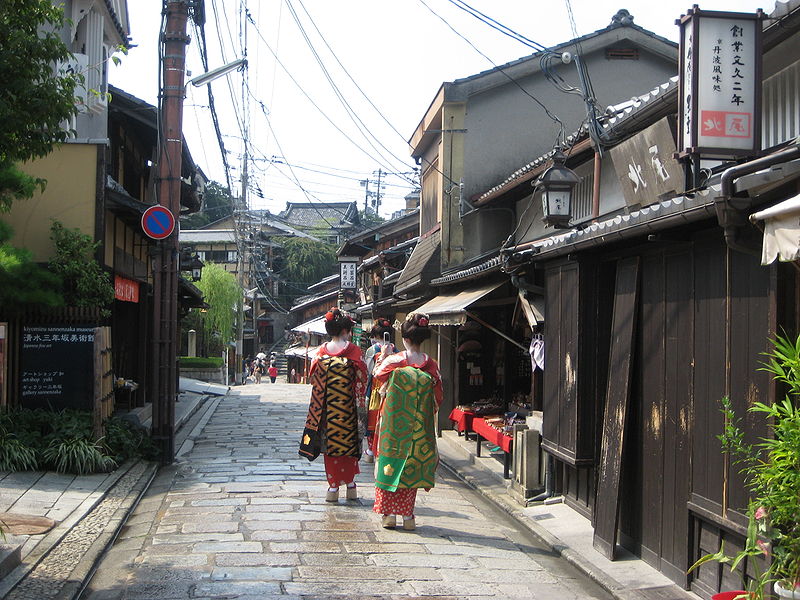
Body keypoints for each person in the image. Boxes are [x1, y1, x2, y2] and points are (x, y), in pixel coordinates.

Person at [372, 312, 442, 531]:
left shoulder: (395, 361)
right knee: (410, 465)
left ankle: (388, 515)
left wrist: (382, 356)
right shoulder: (431, 365)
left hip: (393, 423)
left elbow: (377, 375)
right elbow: (438, 398)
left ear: (405, 338)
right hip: (417, 426)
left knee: (389, 464)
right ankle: (408, 516)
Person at [299, 308, 367, 503]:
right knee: (350, 445)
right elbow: (363, 378)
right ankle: (351, 485)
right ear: (346, 331)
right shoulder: (354, 351)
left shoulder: (320, 352)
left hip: (327, 410)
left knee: (330, 447)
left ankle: (333, 486)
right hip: (349, 409)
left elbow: (313, 380)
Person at [363, 319, 396, 463]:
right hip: (391, 389)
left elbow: (368, 371)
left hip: (375, 389)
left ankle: (371, 449)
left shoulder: (372, 350)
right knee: (386, 419)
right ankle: (384, 450)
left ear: (375, 335)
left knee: (372, 418)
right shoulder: (396, 351)